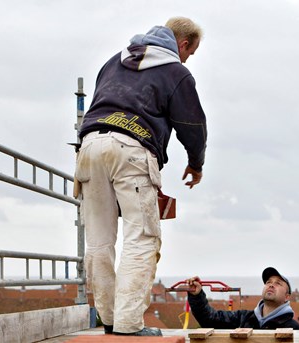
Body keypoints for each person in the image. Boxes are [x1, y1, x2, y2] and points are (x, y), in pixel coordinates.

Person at [75, 17, 207, 337]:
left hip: (89, 146)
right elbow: (192, 124)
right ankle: (128, 325)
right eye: (190, 52)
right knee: (142, 237)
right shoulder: (175, 71)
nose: (187, 59)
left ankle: (108, 319)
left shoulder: (112, 62)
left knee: (99, 240)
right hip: (133, 148)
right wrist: (195, 163)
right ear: (184, 43)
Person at [186, 267, 299, 330]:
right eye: (268, 282)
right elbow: (209, 319)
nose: (271, 285)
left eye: (278, 283)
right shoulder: (242, 319)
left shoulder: (295, 329)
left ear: (287, 297)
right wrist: (197, 295)